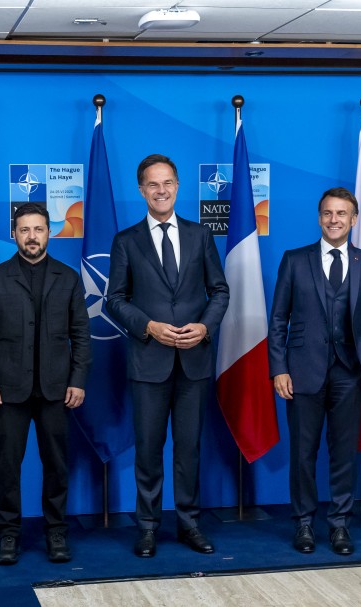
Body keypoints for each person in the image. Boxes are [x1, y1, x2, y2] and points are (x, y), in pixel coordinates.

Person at [107, 153, 229, 558]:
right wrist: (148, 326)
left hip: (194, 362)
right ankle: (147, 527)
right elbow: (114, 299)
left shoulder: (200, 235)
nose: (161, 190)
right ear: (142, 191)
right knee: (148, 450)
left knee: (189, 449)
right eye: (153, 184)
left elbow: (220, 290)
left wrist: (205, 327)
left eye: (168, 183)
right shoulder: (126, 240)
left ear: (178, 186)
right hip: (149, 361)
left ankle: (190, 523)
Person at [0, 202, 91, 565]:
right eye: (24, 230)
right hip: (8, 391)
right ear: (14, 234)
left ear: (49, 233)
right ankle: (8, 534)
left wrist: (78, 380)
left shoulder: (68, 278)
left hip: (57, 390)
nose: (32, 236)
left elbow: (81, 335)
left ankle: (56, 532)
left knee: (57, 465)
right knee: (8, 467)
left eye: (38, 229)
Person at [269, 187, 361, 555]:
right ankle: (303, 523)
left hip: (350, 372)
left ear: (354, 219)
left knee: (343, 452)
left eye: (342, 213)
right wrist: (279, 368)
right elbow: (278, 319)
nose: (335, 220)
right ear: (319, 218)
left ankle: (340, 525)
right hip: (303, 371)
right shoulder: (294, 260)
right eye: (328, 213)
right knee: (303, 452)